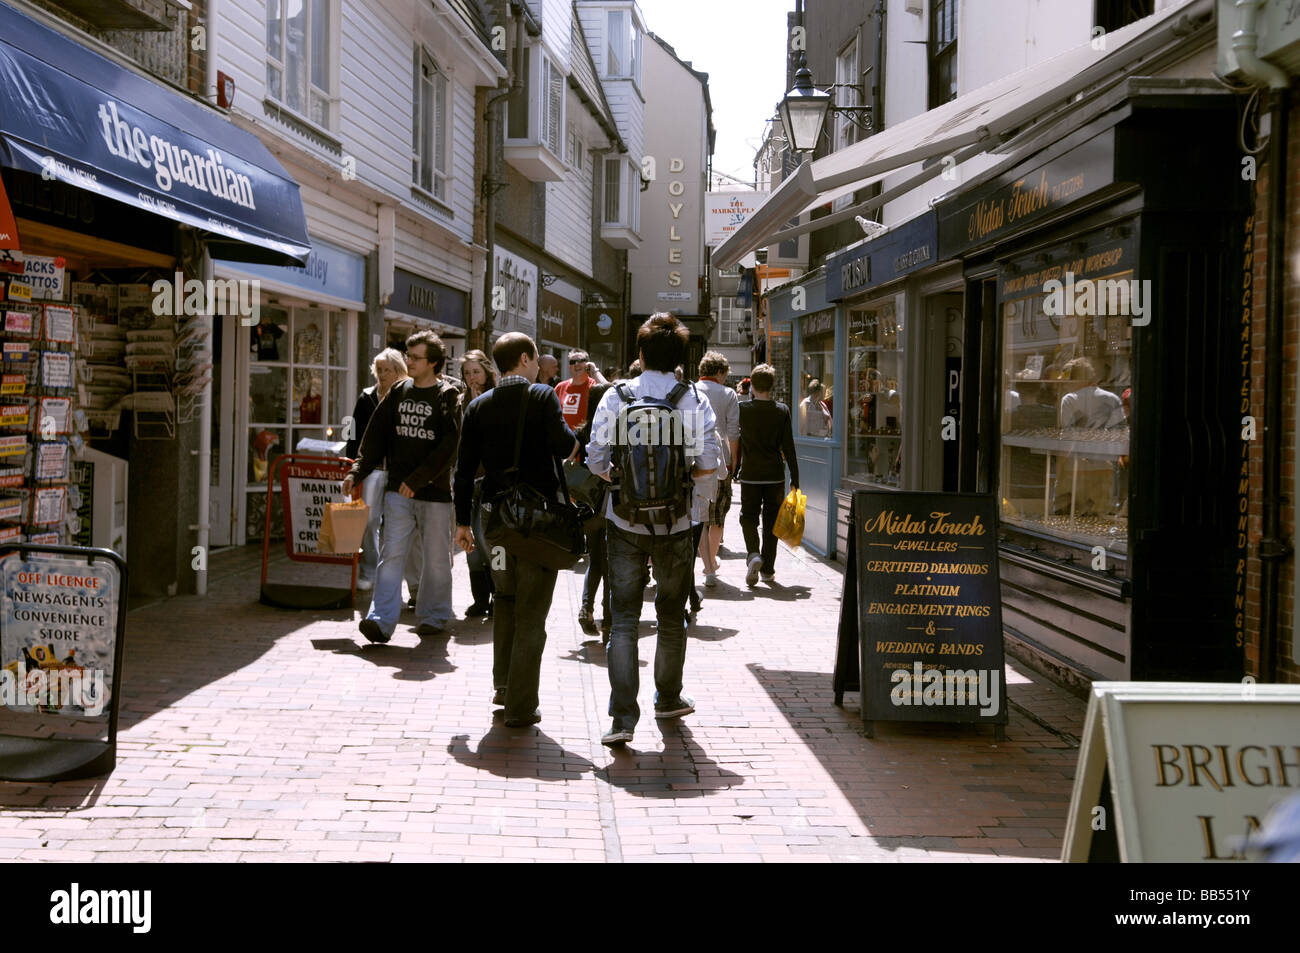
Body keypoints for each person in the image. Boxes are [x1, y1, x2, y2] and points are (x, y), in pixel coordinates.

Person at [587, 314, 718, 747]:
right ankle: (668, 697)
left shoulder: (617, 396)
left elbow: (595, 460)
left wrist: (624, 484)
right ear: (681, 358)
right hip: (677, 522)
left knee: (623, 619)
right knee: (670, 615)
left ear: (640, 355)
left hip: (624, 520)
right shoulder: (691, 399)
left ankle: (622, 717)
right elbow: (707, 464)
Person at [454, 333, 577, 728]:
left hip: (494, 522)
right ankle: (521, 706)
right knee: (532, 613)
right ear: (524, 359)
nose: (538, 366)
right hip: (536, 524)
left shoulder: (477, 406)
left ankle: (503, 685)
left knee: (505, 600)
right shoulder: (542, 396)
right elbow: (563, 444)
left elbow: (463, 470)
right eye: (536, 359)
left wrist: (461, 522)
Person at [343, 331, 461, 642]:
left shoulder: (447, 396)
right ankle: (380, 621)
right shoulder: (398, 391)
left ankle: (435, 615)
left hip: (434, 494)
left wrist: (417, 480)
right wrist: (357, 471)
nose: (408, 361)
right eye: (407, 355)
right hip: (397, 490)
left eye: (415, 357)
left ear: (433, 362)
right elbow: (374, 436)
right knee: (391, 555)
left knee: (435, 558)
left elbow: (450, 447)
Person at [345, 348, 408, 591]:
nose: (381, 375)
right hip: (372, 470)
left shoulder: (406, 396)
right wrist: (351, 465)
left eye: (387, 370)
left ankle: (392, 574)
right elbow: (352, 432)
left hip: (398, 471)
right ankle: (369, 569)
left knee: (395, 524)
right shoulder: (366, 397)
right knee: (369, 521)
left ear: (398, 371)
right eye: (378, 370)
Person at [737, 363, 799, 587]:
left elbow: (737, 441)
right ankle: (768, 570)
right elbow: (789, 447)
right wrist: (795, 477)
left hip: (751, 473)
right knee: (772, 523)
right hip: (775, 475)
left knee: (748, 517)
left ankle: (753, 553)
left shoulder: (743, 409)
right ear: (772, 386)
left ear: (751, 385)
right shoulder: (781, 410)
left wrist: (734, 469)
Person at [696, 351, 740, 587]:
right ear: (720, 372)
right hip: (720, 461)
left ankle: (708, 566)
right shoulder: (728, 394)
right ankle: (710, 563)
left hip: (695, 463)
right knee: (717, 516)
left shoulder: (690, 390)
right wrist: (733, 460)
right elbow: (733, 431)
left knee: (699, 515)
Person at [459, 349, 497, 617]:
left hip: (489, 480)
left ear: (487, 372)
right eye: (467, 373)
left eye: (476, 371)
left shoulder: (494, 400)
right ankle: (480, 599)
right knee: (469, 542)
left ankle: (499, 594)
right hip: (465, 480)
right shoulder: (460, 402)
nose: (472, 377)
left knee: (486, 539)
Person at [574, 378, 613, 637]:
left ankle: (586, 608)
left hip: (586, 505)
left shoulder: (581, 432)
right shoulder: (616, 430)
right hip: (611, 505)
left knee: (595, 561)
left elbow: (568, 464)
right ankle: (608, 618)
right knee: (610, 564)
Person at [555, 349, 596, 433]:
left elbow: (610, 391)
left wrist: (595, 371)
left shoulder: (594, 385)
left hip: (586, 438)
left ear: (587, 364)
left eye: (580, 361)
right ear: (569, 367)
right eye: (572, 362)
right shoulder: (560, 387)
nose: (576, 364)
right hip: (564, 438)